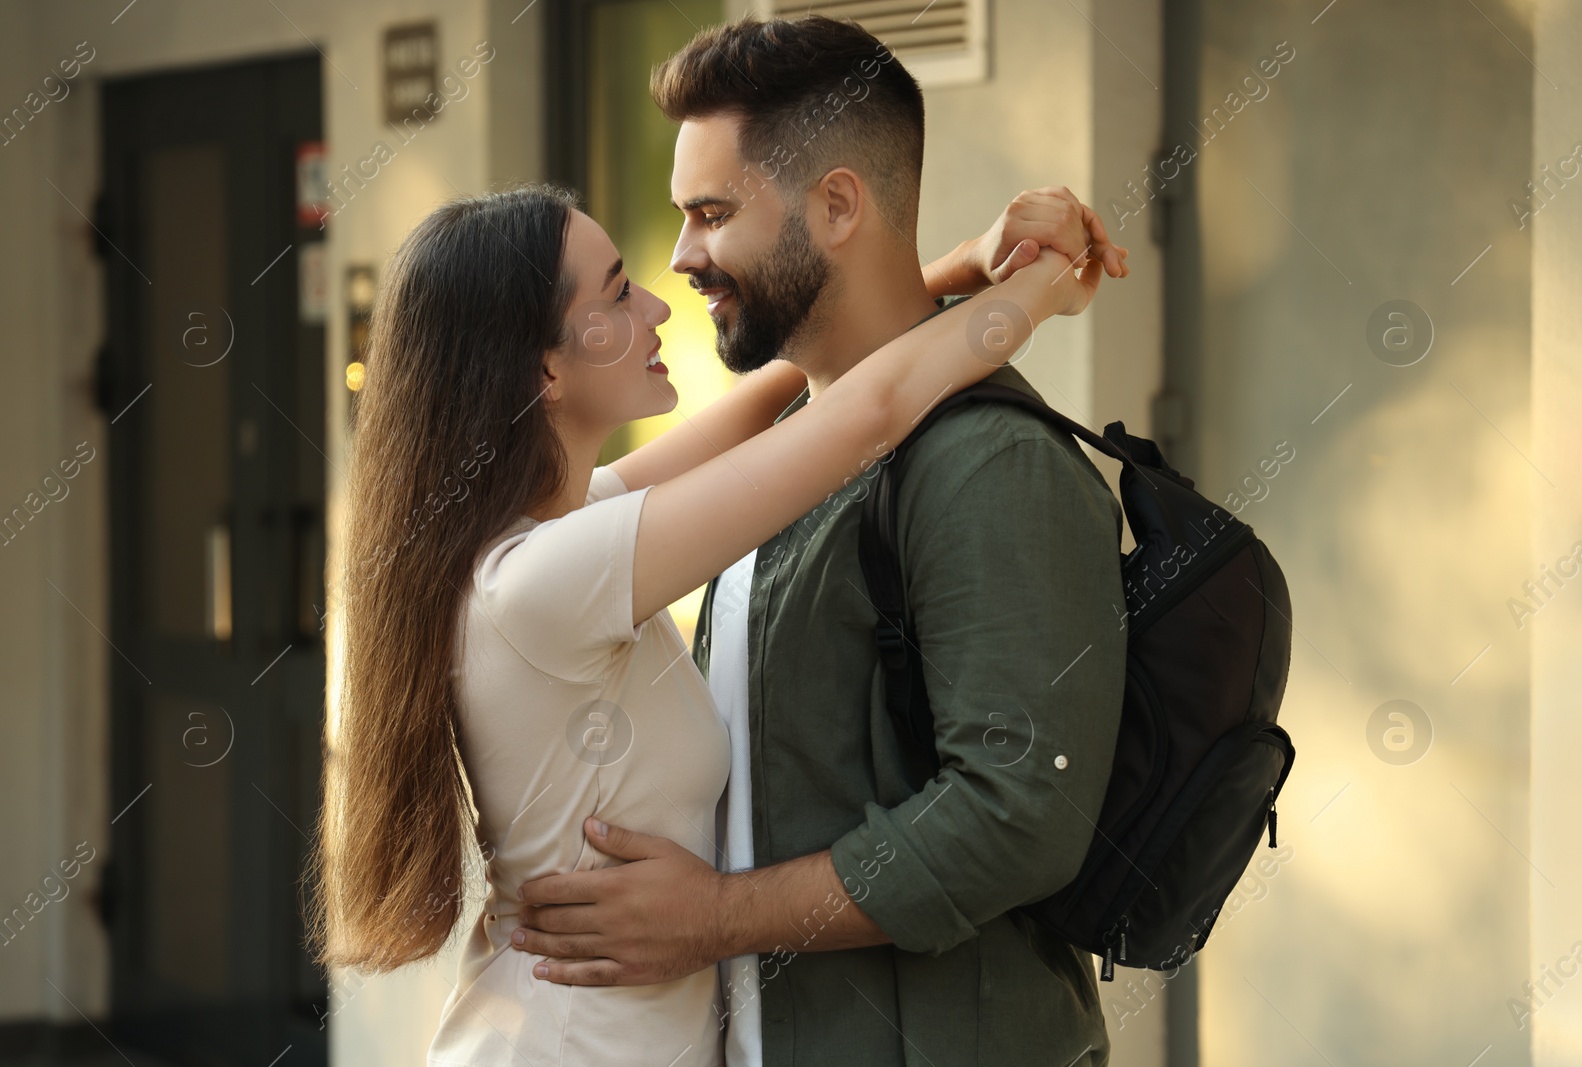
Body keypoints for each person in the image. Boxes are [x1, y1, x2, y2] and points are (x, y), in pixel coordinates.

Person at [307, 168, 1112, 1064]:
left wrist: (966, 264)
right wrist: (1041, 289)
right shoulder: (545, 579)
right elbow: (861, 416)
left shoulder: (553, 538)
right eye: (618, 293)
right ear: (543, 367)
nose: (658, 308)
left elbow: (779, 396)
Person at [511, 15, 1134, 1067]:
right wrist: (981, 273)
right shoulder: (782, 456)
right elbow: (865, 397)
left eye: (711, 213)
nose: (682, 257)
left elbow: (1019, 811)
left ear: (838, 204)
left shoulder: (990, 467)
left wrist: (716, 915)